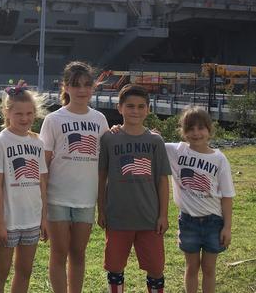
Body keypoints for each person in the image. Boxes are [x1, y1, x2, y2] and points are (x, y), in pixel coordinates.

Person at [39, 62, 110, 293]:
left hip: (85, 199)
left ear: (93, 88)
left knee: (78, 254)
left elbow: (105, 164)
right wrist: (42, 207)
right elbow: (43, 165)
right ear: (65, 87)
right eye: (75, 85)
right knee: (59, 253)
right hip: (57, 197)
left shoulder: (99, 119)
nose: (81, 90)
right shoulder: (54, 120)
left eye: (87, 85)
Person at [98, 84, 171, 293]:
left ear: (148, 109)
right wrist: (101, 210)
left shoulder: (155, 141)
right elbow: (102, 176)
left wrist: (163, 215)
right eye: (130, 106)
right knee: (114, 266)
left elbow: (162, 180)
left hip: (149, 217)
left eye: (141, 106)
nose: (135, 111)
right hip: (117, 216)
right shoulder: (109, 139)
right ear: (119, 108)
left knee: (156, 268)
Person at [166, 106, 235, 293]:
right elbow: (151, 141)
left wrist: (227, 227)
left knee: (209, 269)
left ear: (209, 130)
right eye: (190, 128)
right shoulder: (176, 151)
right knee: (191, 267)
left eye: (201, 128)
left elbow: (227, 196)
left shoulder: (220, 159)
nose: (196, 133)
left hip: (214, 222)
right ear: (183, 131)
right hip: (188, 221)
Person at [0, 81, 48, 293]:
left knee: (25, 270)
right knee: (1, 271)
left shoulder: (38, 142)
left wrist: (44, 218)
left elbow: (42, 182)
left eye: (29, 113)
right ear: (7, 112)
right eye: (19, 114)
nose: (25, 119)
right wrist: (0, 223)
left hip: (31, 218)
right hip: (9, 220)